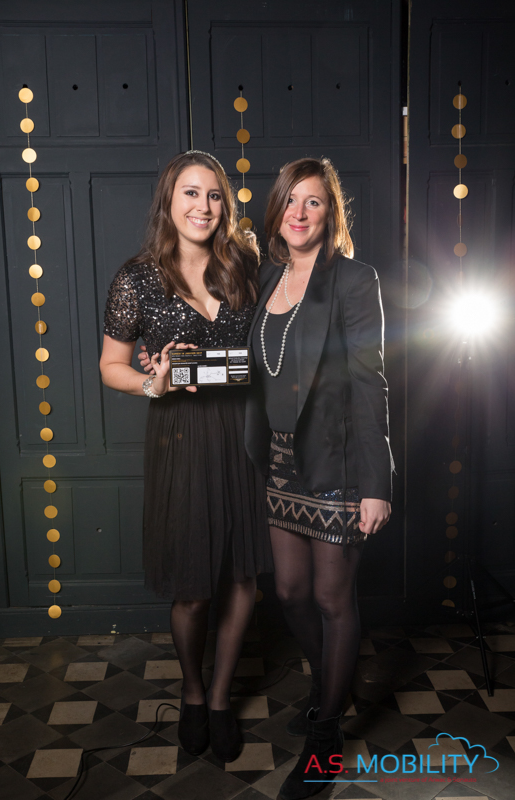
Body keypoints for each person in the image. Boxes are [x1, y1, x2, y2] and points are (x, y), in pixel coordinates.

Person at [100, 151, 273, 764]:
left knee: (244, 575)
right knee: (193, 586)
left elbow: (279, 336)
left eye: (214, 195)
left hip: (243, 430)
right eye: (191, 194)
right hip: (180, 434)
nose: (203, 206)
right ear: (168, 203)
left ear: (226, 205)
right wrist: (155, 383)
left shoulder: (245, 266)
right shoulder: (137, 278)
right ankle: (193, 692)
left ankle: (221, 697)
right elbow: (111, 366)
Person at [244, 157, 393, 800]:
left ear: (331, 213)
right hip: (280, 462)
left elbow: (370, 382)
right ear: (276, 210)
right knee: (291, 592)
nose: (299, 213)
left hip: (336, 463)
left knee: (334, 600)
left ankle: (326, 730)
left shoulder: (355, 280)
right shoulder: (266, 275)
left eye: (314, 202)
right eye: (290, 201)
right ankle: (329, 681)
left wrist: (376, 483)